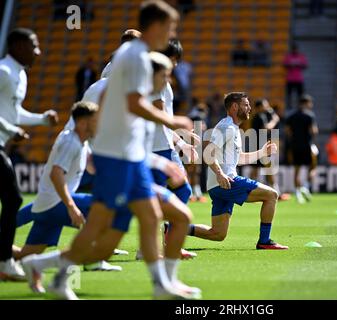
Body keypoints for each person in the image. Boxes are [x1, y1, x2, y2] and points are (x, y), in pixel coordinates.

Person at [22, 1, 195, 300]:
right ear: (155, 25)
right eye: (170, 27)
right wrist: (173, 120)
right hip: (117, 160)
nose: (172, 33)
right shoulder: (135, 58)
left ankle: (160, 285)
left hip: (130, 158)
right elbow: (133, 106)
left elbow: (122, 115)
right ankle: (49, 270)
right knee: (101, 236)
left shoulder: (135, 57)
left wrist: (153, 157)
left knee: (167, 217)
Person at [13, 102, 122, 271]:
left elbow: (93, 166)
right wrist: (71, 207)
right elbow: (56, 174)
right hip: (57, 204)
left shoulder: (81, 142)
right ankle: (93, 260)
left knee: (25, 256)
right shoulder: (71, 142)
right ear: (83, 123)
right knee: (105, 207)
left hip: (46, 207)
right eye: (96, 120)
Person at [187, 92, 288, 250]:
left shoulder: (232, 128)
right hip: (226, 181)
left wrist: (262, 153)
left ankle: (173, 228)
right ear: (235, 107)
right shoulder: (226, 127)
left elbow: (238, 158)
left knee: (218, 234)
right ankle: (264, 240)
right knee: (272, 195)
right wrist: (220, 174)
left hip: (219, 184)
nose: (249, 108)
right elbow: (208, 153)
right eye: (246, 105)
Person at [0, 28, 59, 281]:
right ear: (17, 46)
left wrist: (42, 120)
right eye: (33, 46)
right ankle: (5, 262)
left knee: (12, 200)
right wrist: (12, 130)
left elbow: (14, 112)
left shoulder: (20, 74)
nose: (38, 51)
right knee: (13, 198)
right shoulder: (3, 72)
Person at [149, 39, 199, 260]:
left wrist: (182, 143)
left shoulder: (164, 81)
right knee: (158, 200)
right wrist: (185, 130)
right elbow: (160, 115)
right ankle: (154, 248)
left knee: (182, 191)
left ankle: (167, 245)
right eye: (174, 60)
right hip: (154, 147)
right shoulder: (154, 81)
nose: (176, 65)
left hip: (165, 146)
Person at [250, 98, 289, 201]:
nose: (267, 107)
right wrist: (275, 120)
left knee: (256, 170)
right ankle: (276, 192)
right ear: (259, 107)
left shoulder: (257, 116)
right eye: (265, 105)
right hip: (261, 146)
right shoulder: (260, 116)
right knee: (269, 170)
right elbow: (266, 128)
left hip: (257, 145)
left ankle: (249, 191)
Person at [285, 94, 318, 203]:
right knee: (312, 167)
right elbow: (314, 131)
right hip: (306, 145)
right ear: (306, 103)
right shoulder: (309, 116)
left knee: (297, 170)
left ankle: (298, 193)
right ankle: (305, 187)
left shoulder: (291, 116)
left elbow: (287, 131)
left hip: (295, 145)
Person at [187, 101, 209, 202]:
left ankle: (196, 192)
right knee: (191, 171)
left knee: (195, 171)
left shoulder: (192, 116)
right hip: (192, 147)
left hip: (195, 147)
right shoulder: (197, 117)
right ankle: (191, 193)